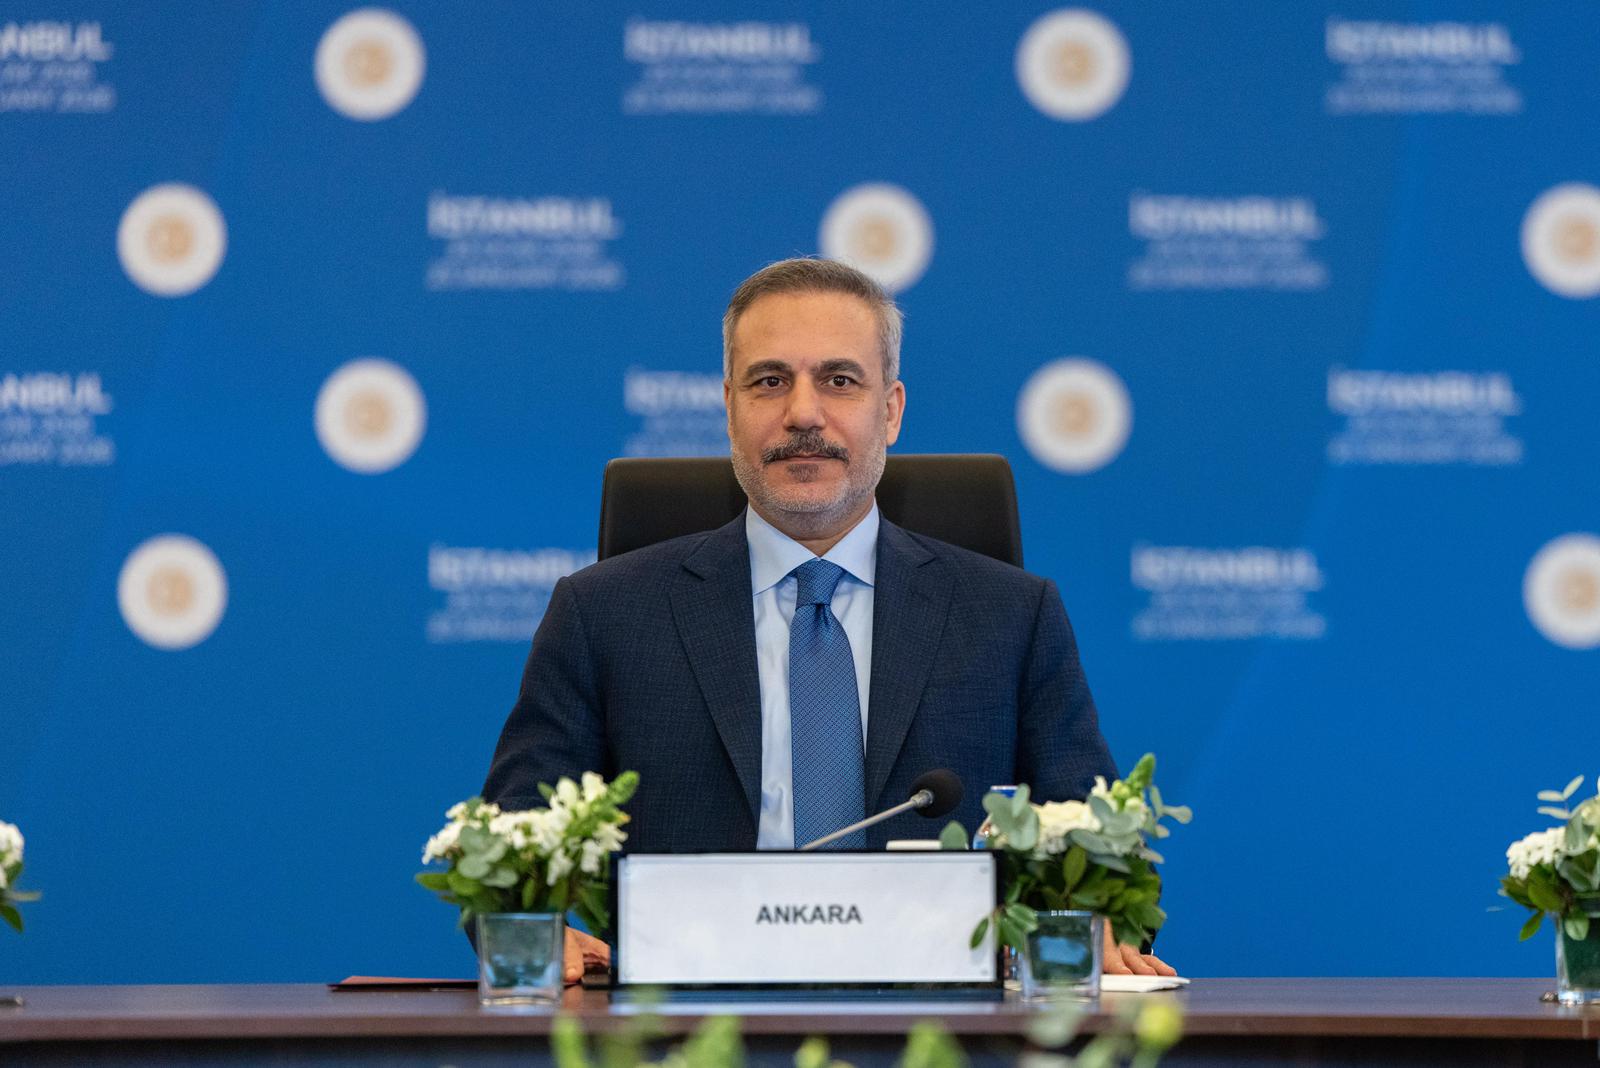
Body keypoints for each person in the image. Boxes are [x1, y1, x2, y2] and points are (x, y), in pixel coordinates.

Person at [482, 257, 1174, 982]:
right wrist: (533, 927)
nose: (804, 414)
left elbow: (1098, 848)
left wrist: (1093, 921)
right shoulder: (604, 614)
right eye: (769, 381)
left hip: (943, 1022)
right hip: (683, 1020)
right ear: (729, 407)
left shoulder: (1010, 617)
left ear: (892, 411)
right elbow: (512, 837)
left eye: (840, 380)